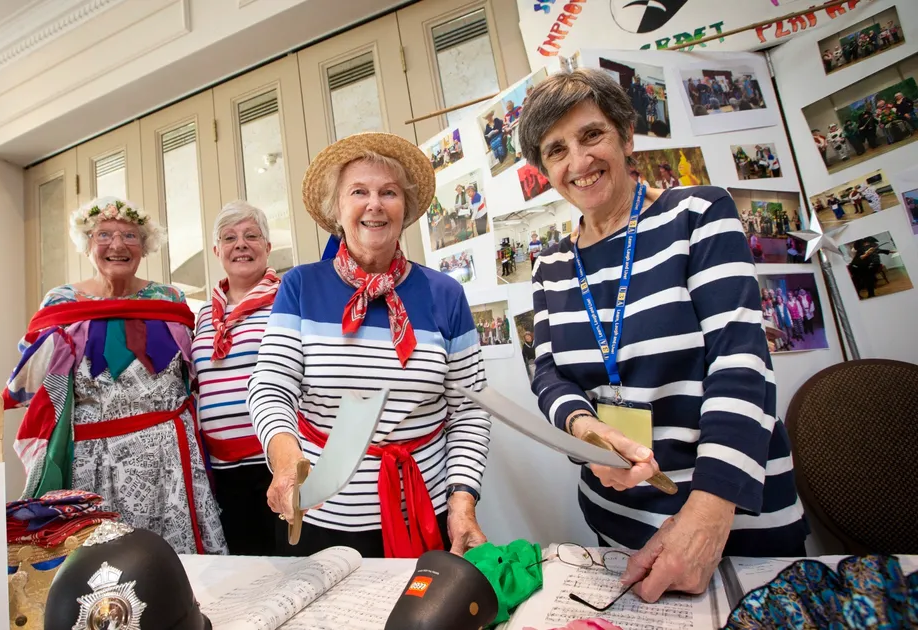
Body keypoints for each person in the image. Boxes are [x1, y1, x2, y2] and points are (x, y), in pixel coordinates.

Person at [517, 68, 808, 603]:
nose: (578, 163)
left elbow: (740, 360)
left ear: (625, 135)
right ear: (545, 169)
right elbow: (550, 375)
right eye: (556, 150)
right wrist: (586, 432)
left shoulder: (699, 214)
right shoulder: (551, 265)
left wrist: (707, 513)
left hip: (732, 516)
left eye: (591, 135)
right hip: (617, 522)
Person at [248, 132, 491, 559]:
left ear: (405, 208)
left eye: (389, 192)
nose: (374, 204)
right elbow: (271, 385)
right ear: (336, 209)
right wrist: (286, 463)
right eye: (359, 191)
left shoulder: (446, 294)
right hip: (321, 516)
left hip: (424, 512)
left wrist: (462, 501)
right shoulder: (300, 286)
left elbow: (470, 409)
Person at [5, 196, 227, 555]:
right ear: (87, 244)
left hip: (168, 455)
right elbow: (37, 383)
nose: (118, 245)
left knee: (176, 562)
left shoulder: (168, 299)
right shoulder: (61, 303)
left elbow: (194, 371)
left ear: (145, 246)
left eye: (130, 236)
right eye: (104, 234)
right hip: (94, 458)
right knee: (102, 561)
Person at [191, 201, 281, 556]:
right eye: (229, 237)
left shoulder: (287, 302)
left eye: (251, 236)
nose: (240, 244)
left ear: (267, 247)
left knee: (289, 565)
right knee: (243, 567)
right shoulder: (203, 315)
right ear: (217, 251)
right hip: (222, 470)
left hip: (274, 461)